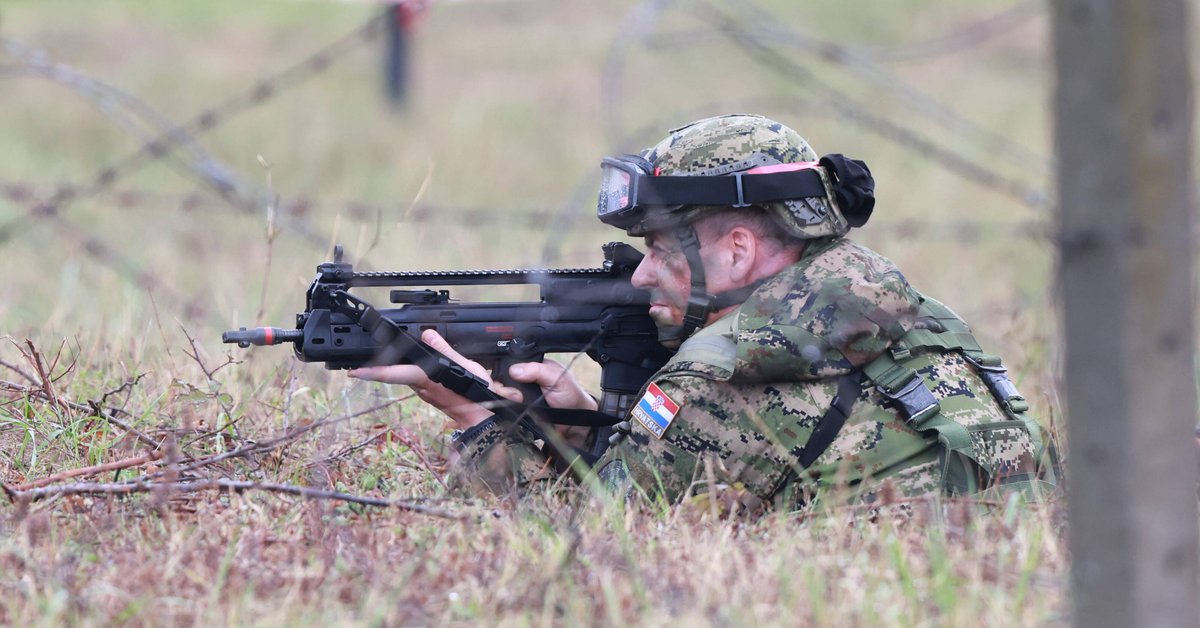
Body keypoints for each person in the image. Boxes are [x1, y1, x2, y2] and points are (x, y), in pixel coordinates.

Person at [351, 114, 1059, 511]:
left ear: (740, 248)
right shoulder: (887, 310)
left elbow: (583, 554)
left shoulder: (724, 371)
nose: (646, 272)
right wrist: (575, 427)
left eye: (660, 247)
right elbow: (700, 474)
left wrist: (477, 422)